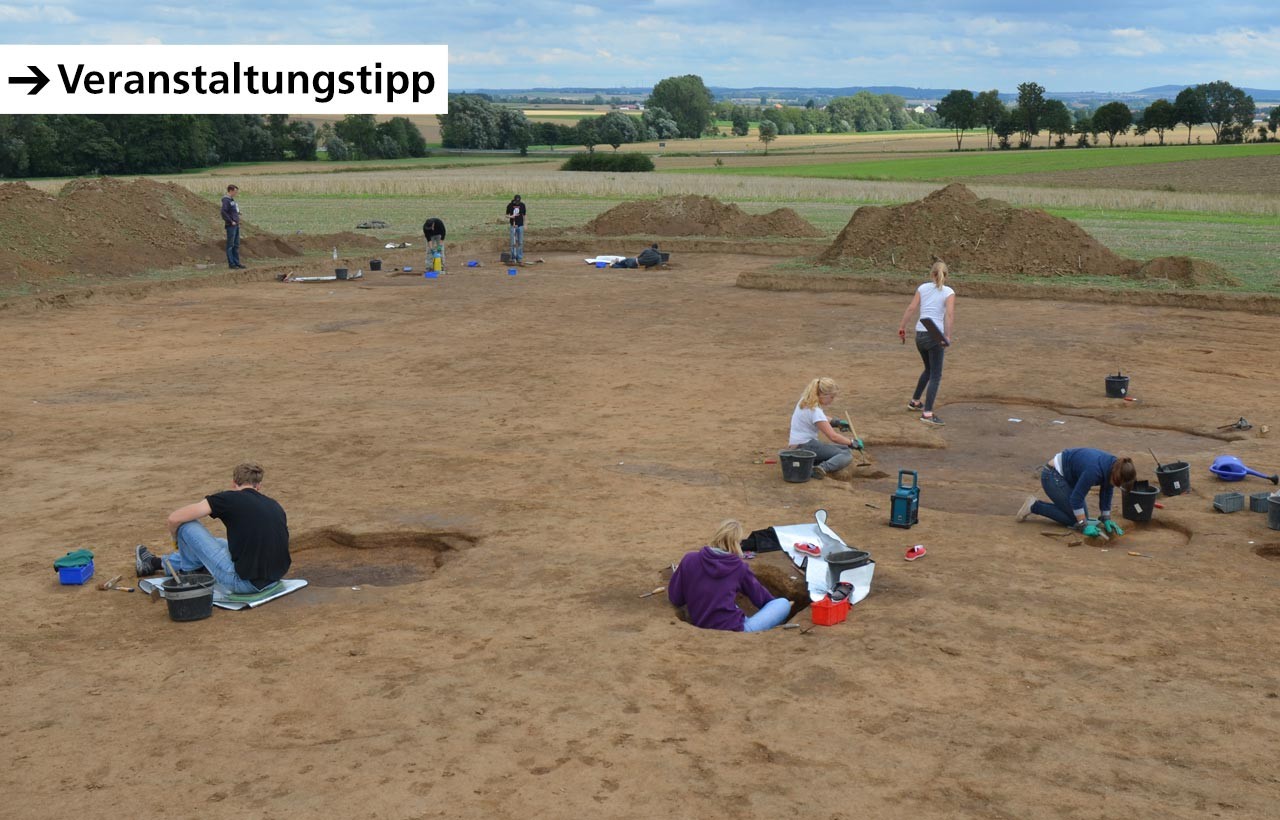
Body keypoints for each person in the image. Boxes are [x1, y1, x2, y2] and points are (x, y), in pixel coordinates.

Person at [136, 462, 290, 593]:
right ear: (259, 486)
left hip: (243, 583)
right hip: (275, 577)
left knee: (186, 526)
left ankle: (190, 574)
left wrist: (176, 541)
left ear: (234, 483)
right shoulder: (274, 504)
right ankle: (156, 563)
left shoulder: (229, 497)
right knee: (220, 543)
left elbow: (174, 518)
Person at [668, 520, 792, 632]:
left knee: (726, 602)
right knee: (783, 603)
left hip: (701, 624)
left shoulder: (689, 559)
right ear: (737, 543)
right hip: (736, 631)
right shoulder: (739, 567)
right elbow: (763, 600)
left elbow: (676, 598)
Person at [1015, 448, 1137, 538]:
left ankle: (1061, 509)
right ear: (1116, 475)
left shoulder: (1114, 466)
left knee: (1081, 517)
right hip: (1052, 476)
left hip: (1067, 478)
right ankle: (1034, 506)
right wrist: (1083, 525)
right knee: (1076, 520)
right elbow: (1076, 499)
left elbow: (1107, 491)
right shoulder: (1093, 471)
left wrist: (1106, 517)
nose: (1117, 486)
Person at [898, 259, 955, 426]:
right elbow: (949, 315)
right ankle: (927, 413)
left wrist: (902, 327)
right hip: (935, 335)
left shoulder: (922, 288)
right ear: (946, 276)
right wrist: (947, 336)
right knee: (936, 375)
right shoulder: (948, 292)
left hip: (920, 334)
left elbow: (911, 308)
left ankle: (915, 401)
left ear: (932, 274)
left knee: (929, 370)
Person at [789, 377, 861, 480]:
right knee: (846, 455)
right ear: (824, 395)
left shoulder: (806, 401)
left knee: (845, 449)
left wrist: (836, 422)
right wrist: (852, 442)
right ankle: (820, 469)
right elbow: (833, 437)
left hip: (798, 445)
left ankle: (814, 463)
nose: (832, 400)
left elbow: (820, 418)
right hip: (805, 446)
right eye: (832, 397)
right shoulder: (815, 410)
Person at [221, 184, 246, 270]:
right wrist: (230, 221)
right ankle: (231, 264)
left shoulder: (231, 200)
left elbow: (231, 210)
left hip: (236, 225)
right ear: (230, 191)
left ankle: (237, 263)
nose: (236, 193)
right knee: (230, 245)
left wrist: (237, 214)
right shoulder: (226, 200)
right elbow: (223, 212)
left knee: (236, 244)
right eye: (235, 191)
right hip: (231, 226)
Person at [505, 194, 527, 265]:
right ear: (514, 200)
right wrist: (510, 216)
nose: (517, 203)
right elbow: (506, 215)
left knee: (520, 242)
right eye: (516, 201)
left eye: (518, 201)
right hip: (513, 226)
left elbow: (524, 215)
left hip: (520, 226)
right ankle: (513, 258)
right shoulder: (510, 205)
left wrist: (525, 224)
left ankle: (519, 258)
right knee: (513, 243)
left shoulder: (523, 205)